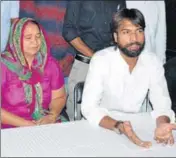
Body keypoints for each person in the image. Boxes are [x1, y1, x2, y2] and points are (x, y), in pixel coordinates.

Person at [81, 9, 176, 148]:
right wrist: (119, 126)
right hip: (104, 124)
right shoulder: (101, 60)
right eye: (126, 32)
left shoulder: (152, 61)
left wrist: (162, 124)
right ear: (115, 36)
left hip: (139, 124)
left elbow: (162, 105)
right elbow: (89, 108)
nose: (134, 39)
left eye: (139, 31)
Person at [63, 0, 126, 120]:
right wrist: (96, 57)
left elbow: (122, 29)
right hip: (85, 65)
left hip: (112, 66)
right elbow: (68, 30)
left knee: (109, 117)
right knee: (76, 118)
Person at [1, 18, 68, 129]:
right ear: (16, 39)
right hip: (11, 128)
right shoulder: (3, 66)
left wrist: (52, 116)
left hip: (44, 123)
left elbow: (59, 97)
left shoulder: (49, 64)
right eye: (28, 38)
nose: (35, 42)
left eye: (38, 36)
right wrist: (28, 125)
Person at [19, 0, 74, 93]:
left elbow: (77, 28)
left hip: (67, 69)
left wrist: (69, 57)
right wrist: (42, 61)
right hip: (39, 67)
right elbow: (25, 28)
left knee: (61, 103)